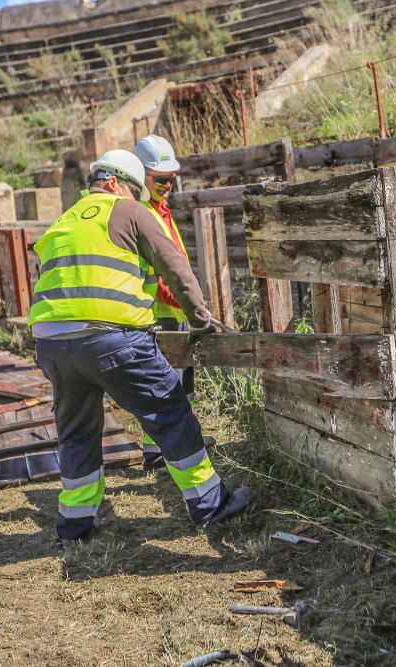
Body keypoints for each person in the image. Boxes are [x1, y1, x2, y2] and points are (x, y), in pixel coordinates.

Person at [27, 149, 253, 548]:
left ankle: (76, 527)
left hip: (53, 345)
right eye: (135, 190)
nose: (139, 197)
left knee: (78, 431)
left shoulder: (63, 221)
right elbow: (175, 267)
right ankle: (210, 504)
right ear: (115, 183)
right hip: (112, 338)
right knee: (170, 410)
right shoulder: (130, 212)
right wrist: (200, 320)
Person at [132, 134, 201, 470]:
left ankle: (183, 439)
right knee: (164, 384)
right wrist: (182, 300)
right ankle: (157, 452)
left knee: (182, 381)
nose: (167, 184)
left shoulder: (161, 210)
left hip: (177, 309)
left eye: (171, 178)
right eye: (160, 179)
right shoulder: (140, 213)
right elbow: (155, 272)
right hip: (161, 313)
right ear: (139, 176)